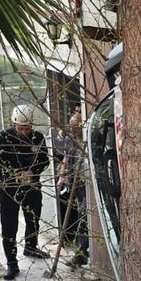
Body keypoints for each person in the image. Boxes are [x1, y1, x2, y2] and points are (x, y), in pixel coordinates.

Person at [0, 104, 50, 280]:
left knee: (33, 218)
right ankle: (11, 263)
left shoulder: (38, 138)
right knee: (9, 226)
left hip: (31, 187)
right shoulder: (2, 138)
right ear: (14, 125)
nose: (24, 131)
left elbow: (44, 160)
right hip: (10, 188)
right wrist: (16, 173)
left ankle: (31, 246)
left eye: (27, 128)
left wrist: (33, 172)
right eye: (20, 128)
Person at [57, 112, 89, 267]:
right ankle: (81, 251)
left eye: (76, 125)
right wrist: (62, 175)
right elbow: (66, 158)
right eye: (71, 125)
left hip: (86, 185)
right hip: (75, 186)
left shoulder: (86, 142)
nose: (72, 128)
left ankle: (82, 253)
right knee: (80, 216)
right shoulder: (71, 141)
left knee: (84, 217)